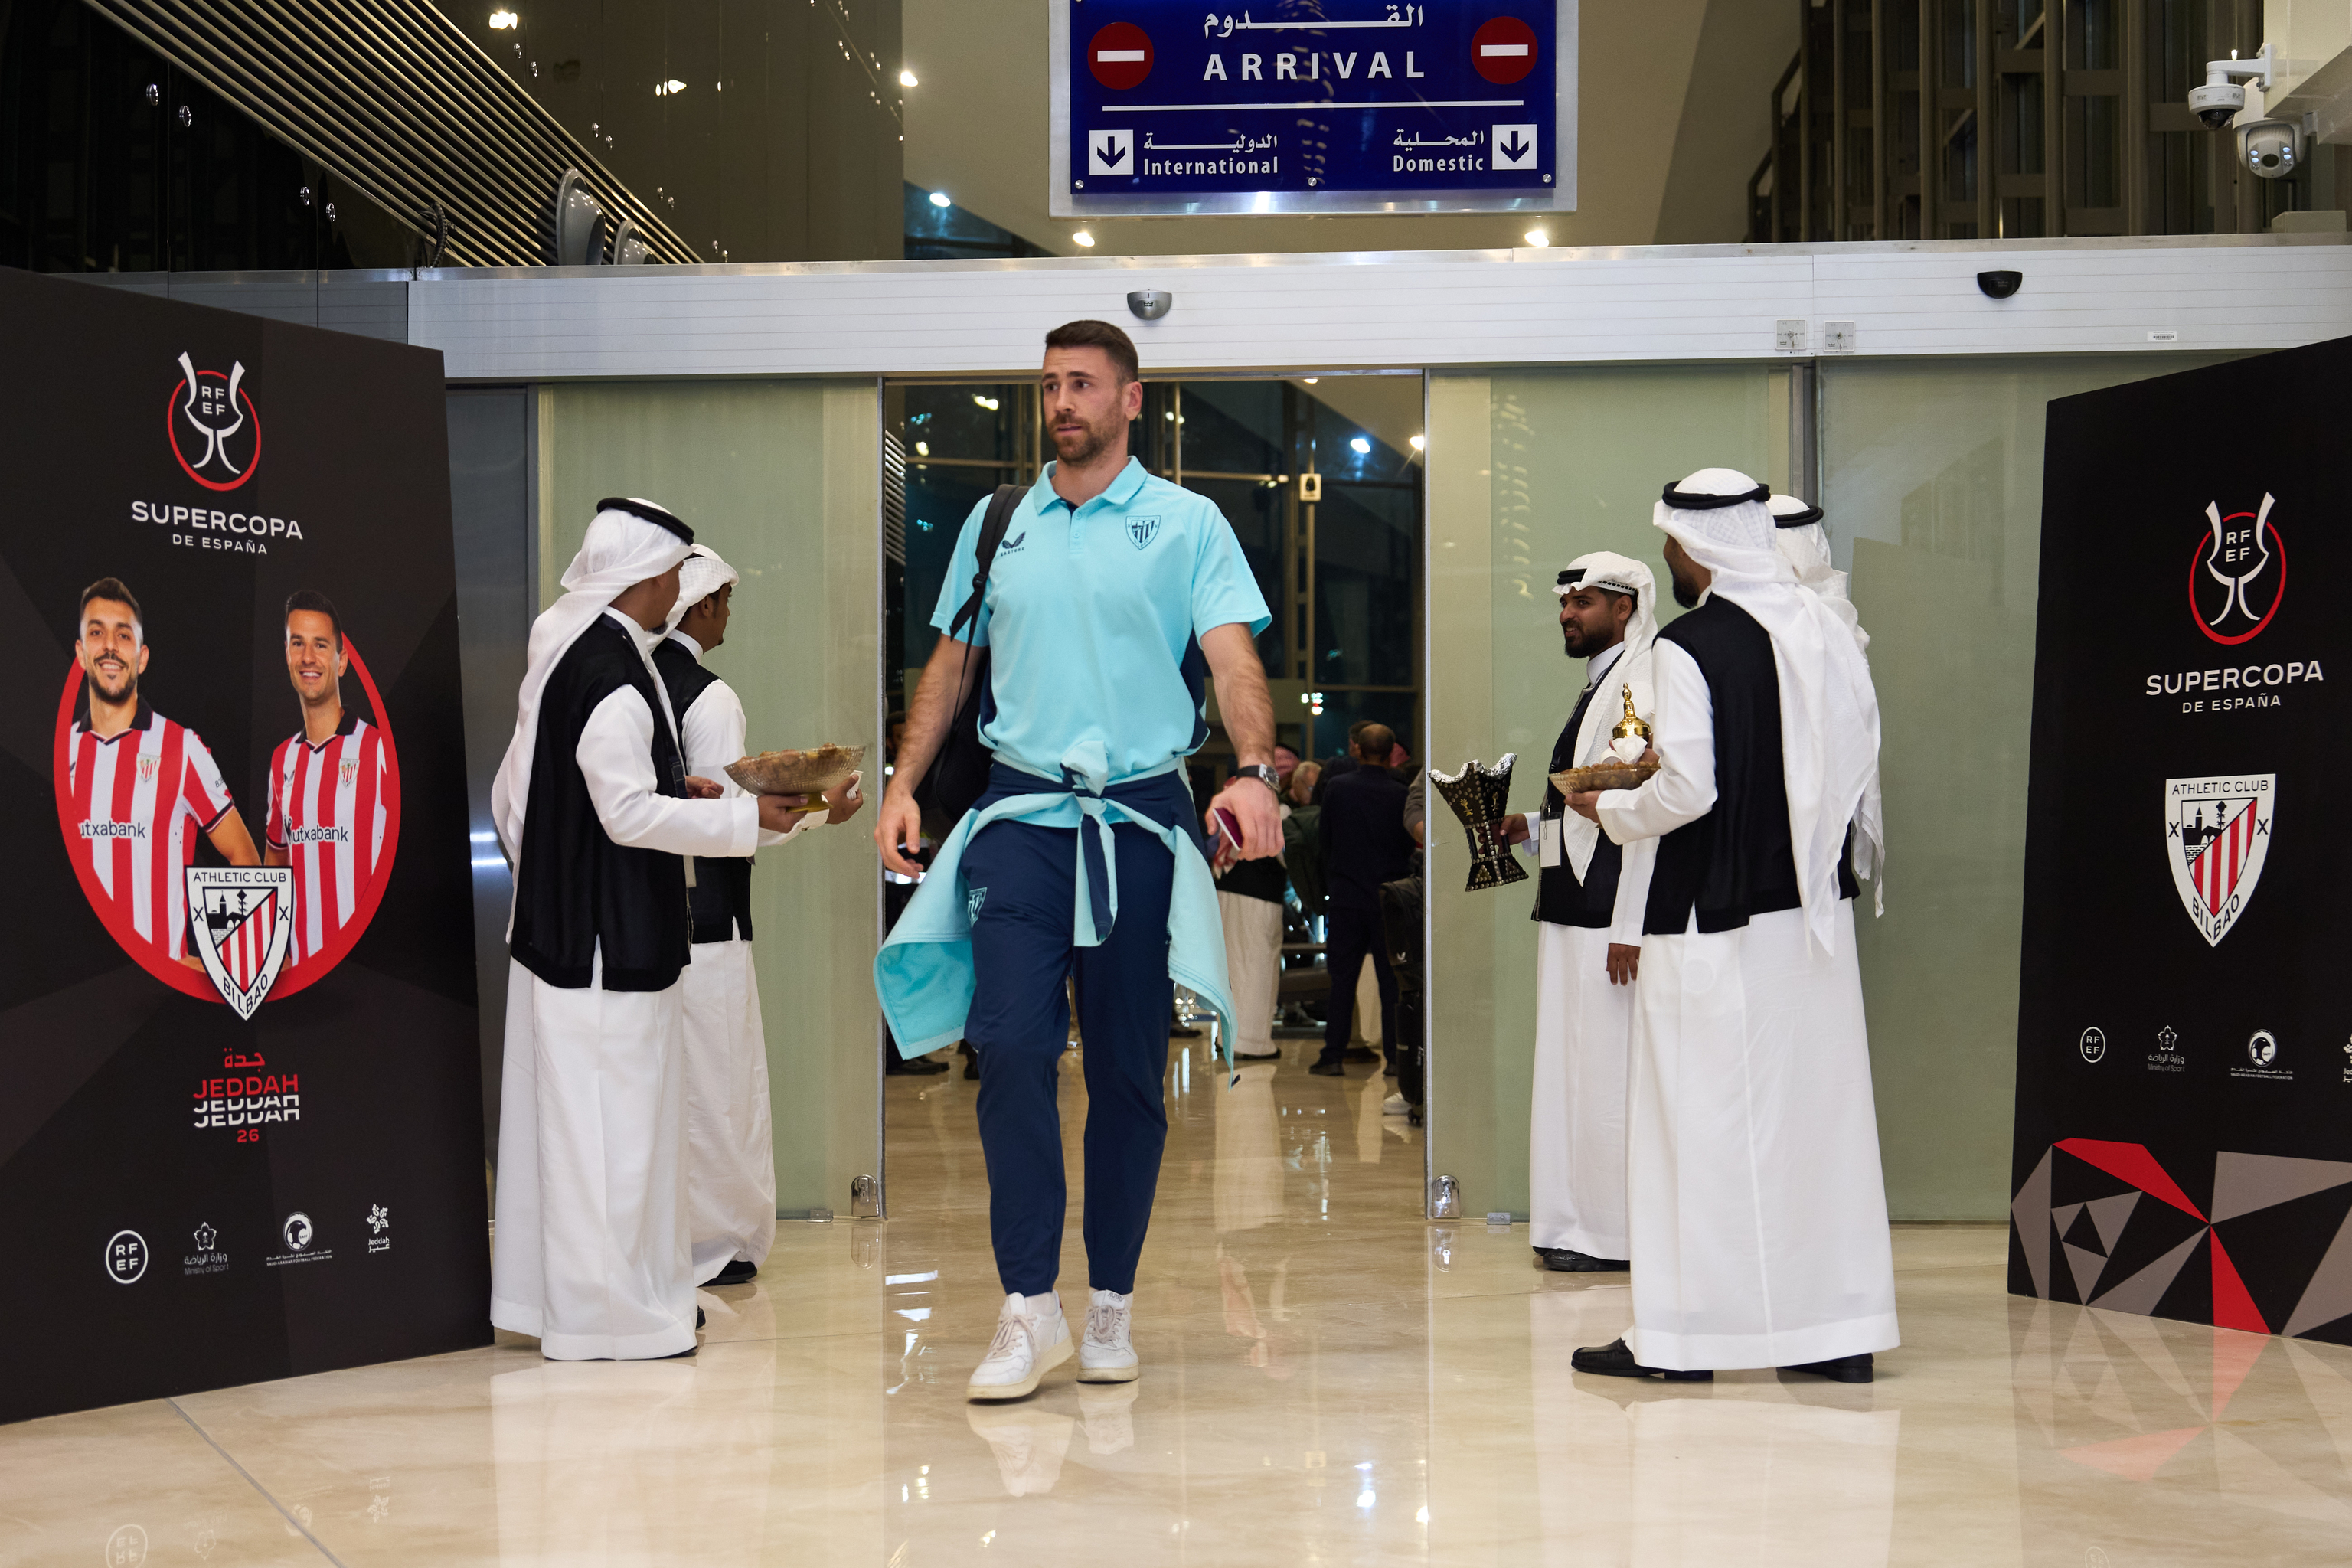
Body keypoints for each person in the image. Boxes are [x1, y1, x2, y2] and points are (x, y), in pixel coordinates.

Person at [874, 318, 1279, 1403]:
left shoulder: (1187, 523)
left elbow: (1234, 661)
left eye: (1086, 384)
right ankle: (1026, 1306)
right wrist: (905, 781)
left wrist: (1253, 769)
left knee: (1126, 1074)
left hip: (1139, 824)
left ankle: (1111, 1304)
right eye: (1052, 383)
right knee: (1006, 1048)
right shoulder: (997, 521)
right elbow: (952, 667)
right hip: (1018, 818)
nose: (1064, 401)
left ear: (1131, 400)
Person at [1567, 469, 1893, 1385]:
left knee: (1693, 1129)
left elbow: (1689, 787)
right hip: (1811, 917)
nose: (1670, 554)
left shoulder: (1689, 642)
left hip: (1708, 918)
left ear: (1697, 545)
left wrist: (1612, 811)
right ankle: (1834, 1334)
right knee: (1815, 1128)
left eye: (1671, 540)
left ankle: (1686, 1339)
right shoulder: (1822, 630)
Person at [489, 498, 811, 1361]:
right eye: (674, 570)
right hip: (598, 949)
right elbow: (626, 813)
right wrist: (750, 822)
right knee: (607, 1139)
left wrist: (699, 799)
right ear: (643, 578)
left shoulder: (594, 656)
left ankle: (621, 1299)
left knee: (618, 1137)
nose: (682, 584)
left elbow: (526, 802)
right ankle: (610, 1317)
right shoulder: (607, 674)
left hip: (591, 936)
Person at [654, 544, 865, 1289]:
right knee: (720, 1088)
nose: (730, 617)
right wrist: (821, 809)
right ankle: (718, 1243)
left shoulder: (636, 683)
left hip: (644, 924)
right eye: (727, 601)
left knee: (670, 1088)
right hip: (709, 927)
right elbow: (732, 820)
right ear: (701, 605)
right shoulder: (709, 698)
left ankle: (669, 1235)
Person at [1496, 554, 1659, 1272]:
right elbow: (1585, 804)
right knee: (1569, 1069)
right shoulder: (1600, 684)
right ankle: (1570, 1225)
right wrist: (1529, 828)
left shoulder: (1642, 681)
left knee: (1606, 1075)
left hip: (1606, 917)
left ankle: (1613, 1234)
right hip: (1569, 907)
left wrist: (1631, 924)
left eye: (1583, 602)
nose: (1568, 614)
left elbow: (1645, 808)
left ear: (1623, 608)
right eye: (1565, 603)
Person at [65, 577, 260, 966]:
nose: (109, 646)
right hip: (73, 997)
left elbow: (244, 856)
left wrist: (221, 964)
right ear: (81, 652)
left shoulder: (181, 747)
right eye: (97, 632)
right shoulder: (61, 752)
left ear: (142, 656)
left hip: (156, 1005)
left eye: (123, 636)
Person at [263, 590, 394, 965]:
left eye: (321, 645)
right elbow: (276, 855)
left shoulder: (379, 749)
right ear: (287, 655)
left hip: (371, 972)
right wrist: (276, 949)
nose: (308, 657)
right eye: (298, 644)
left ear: (342, 661)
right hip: (305, 981)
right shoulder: (281, 760)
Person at [1308, 724, 1415, 1078]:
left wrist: (1332, 880)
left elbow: (1325, 840)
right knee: (1390, 982)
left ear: (1357, 750)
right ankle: (1395, 1058)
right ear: (1389, 754)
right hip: (1388, 897)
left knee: (1341, 980)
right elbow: (1405, 845)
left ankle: (1332, 1056)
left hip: (1346, 896)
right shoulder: (1400, 793)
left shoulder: (1338, 789)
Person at [1210, 782, 1289, 1064]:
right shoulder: (1277, 812)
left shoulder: (1231, 810)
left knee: (1232, 970)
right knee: (1257, 969)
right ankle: (1252, 1042)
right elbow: (1283, 855)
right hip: (1260, 896)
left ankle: (1228, 1038)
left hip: (1226, 889)